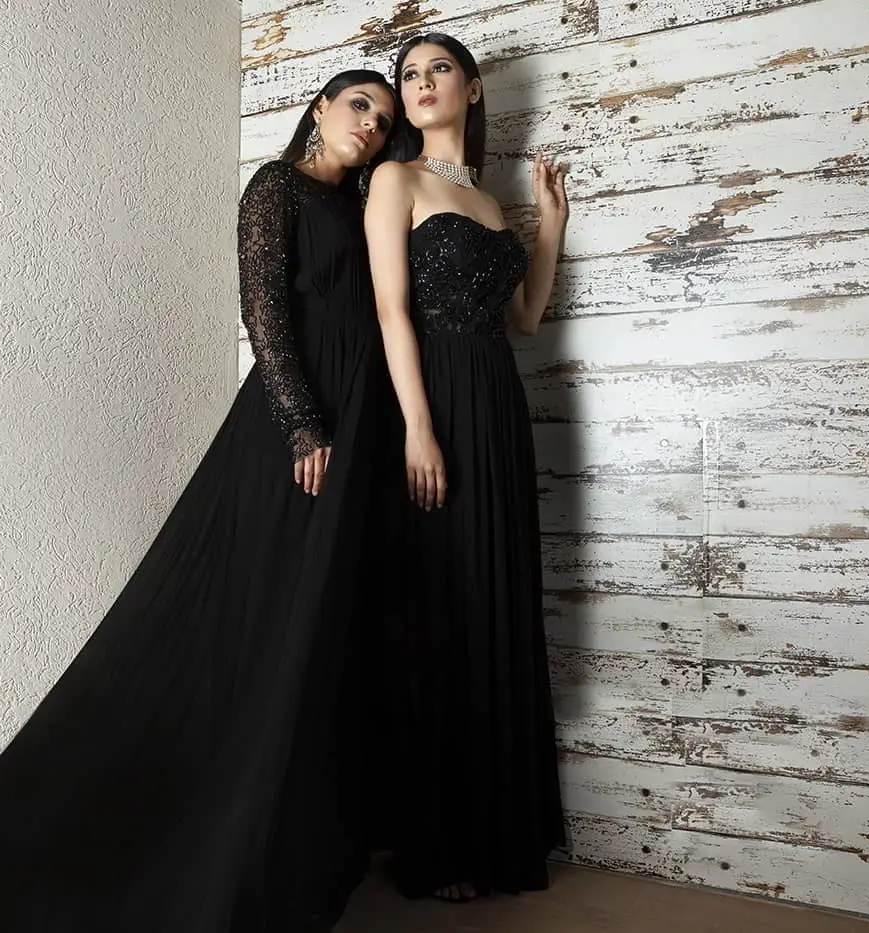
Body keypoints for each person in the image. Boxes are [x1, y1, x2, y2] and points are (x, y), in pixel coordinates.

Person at [0, 69, 398, 933]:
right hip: (296, 429)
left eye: (384, 118)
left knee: (317, 619)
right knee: (259, 615)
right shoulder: (277, 187)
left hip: (357, 423)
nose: (371, 124)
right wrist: (301, 421)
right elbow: (263, 307)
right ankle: (210, 834)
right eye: (359, 104)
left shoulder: (365, 203)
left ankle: (290, 830)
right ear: (321, 108)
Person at [363, 33, 569, 903]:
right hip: (434, 402)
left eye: (438, 69)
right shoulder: (396, 180)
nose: (421, 84)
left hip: (496, 405)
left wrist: (550, 226)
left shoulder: (486, 200)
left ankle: (496, 833)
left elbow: (524, 317)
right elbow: (389, 310)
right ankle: (439, 842)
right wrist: (417, 427)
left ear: (473, 88)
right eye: (408, 75)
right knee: (441, 602)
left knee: (493, 598)